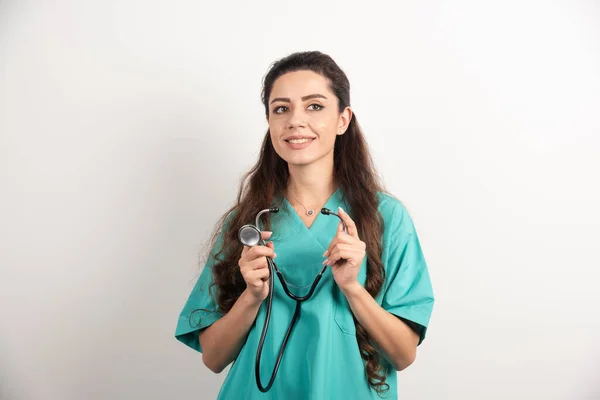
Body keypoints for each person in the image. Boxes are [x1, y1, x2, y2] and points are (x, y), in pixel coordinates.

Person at [174, 51, 435, 399]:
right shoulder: (249, 220)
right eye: (281, 109)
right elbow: (213, 357)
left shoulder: (385, 217)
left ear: (343, 119)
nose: (295, 121)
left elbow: (403, 354)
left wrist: (353, 288)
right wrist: (252, 297)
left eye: (314, 106)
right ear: (269, 121)